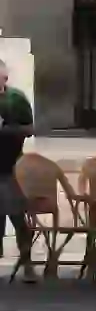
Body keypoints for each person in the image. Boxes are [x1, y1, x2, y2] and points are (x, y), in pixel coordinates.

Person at [0, 60, 35, 281]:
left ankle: (27, 261)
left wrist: (6, 129)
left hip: (10, 166)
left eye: (1, 78)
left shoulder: (16, 99)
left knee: (17, 216)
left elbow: (30, 129)